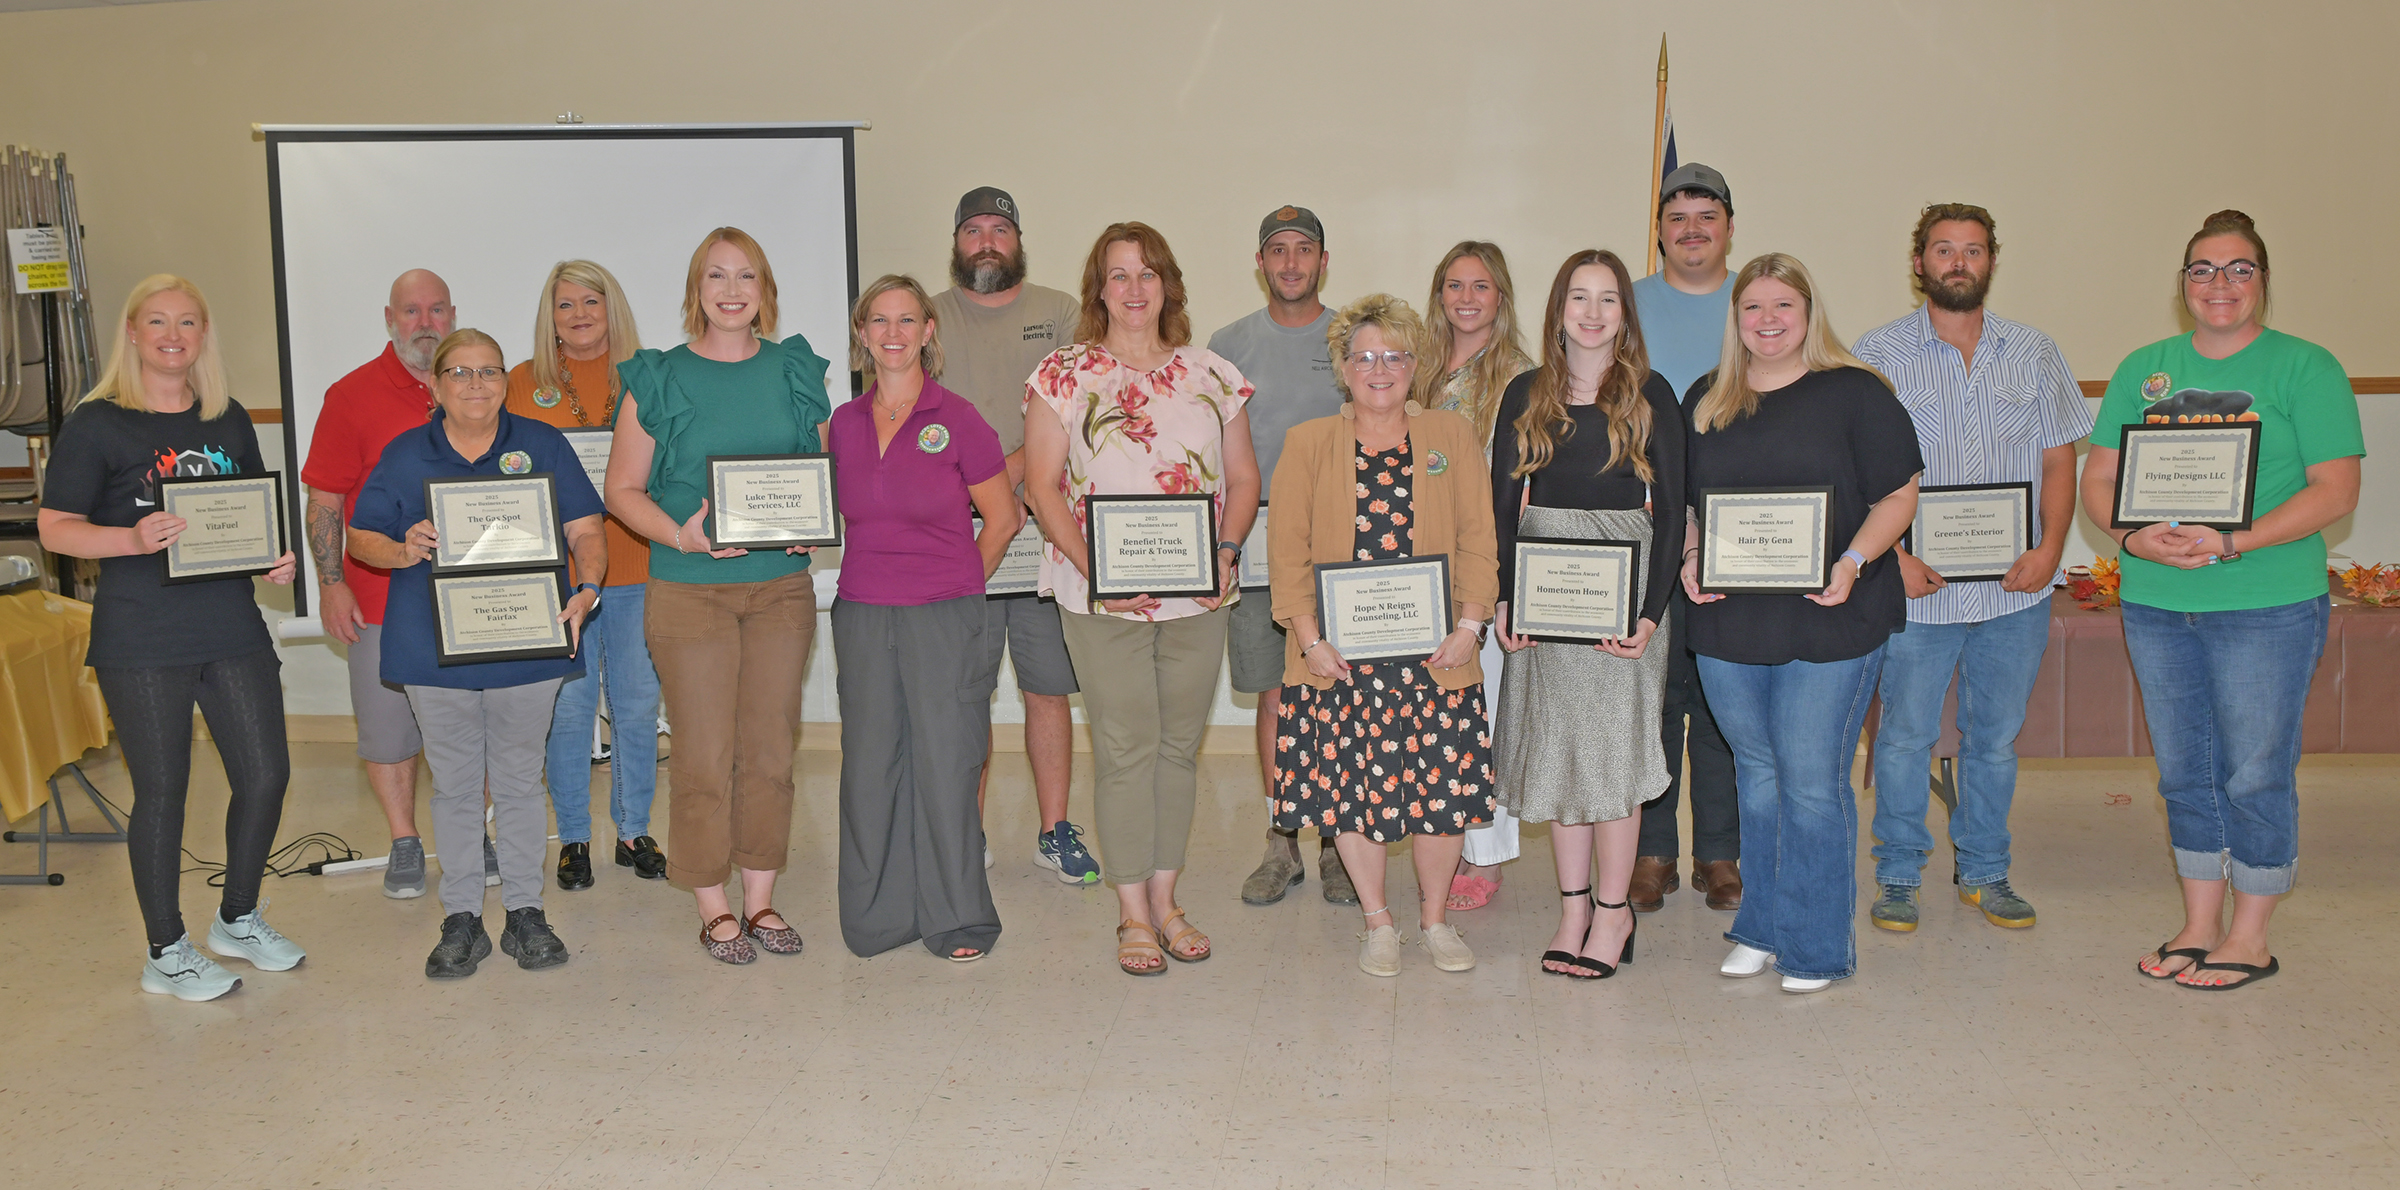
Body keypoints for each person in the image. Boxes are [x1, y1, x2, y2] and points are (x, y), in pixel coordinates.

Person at [2083, 210, 2361, 991]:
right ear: (2183, 283)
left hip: (2266, 601)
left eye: (2240, 268)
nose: (2220, 284)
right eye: (2203, 269)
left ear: (2263, 280)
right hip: (2157, 602)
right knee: (2184, 771)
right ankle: (2200, 923)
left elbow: (2336, 490)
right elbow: (2101, 479)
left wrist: (2238, 540)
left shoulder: (2307, 367)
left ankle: (2251, 933)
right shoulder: (2145, 368)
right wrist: (2133, 539)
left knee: (2255, 771)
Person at [38, 275, 304, 1001]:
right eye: (156, 321)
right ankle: (165, 950)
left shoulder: (228, 418)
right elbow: (55, 527)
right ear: (131, 332)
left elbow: (246, 515)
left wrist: (270, 558)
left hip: (231, 624)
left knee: (266, 774)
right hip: (142, 634)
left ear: (202, 335)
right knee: (163, 791)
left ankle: (237, 918)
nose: (172, 335)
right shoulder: (97, 423)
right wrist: (130, 537)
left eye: (187, 322)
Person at [1022, 221, 1259, 976]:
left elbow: (1244, 479)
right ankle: (1131, 911)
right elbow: (1041, 488)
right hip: (1100, 598)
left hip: (1200, 597)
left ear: (1167, 285)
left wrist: (1225, 552)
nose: (1133, 288)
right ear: (1099, 288)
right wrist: (1100, 571)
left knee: (1178, 751)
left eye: (1147, 273)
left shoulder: (1212, 373)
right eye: (1118, 274)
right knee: (1126, 750)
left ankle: (1167, 899)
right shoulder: (1063, 374)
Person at [1682, 253, 1922, 994]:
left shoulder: (1855, 392)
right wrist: (1690, 556)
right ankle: (1762, 926)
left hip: (1831, 616)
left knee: (1812, 780)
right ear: (1735, 318)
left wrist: (1851, 562)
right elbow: (1689, 506)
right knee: (1756, 775)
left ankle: (1816, 945)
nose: (1768, 320)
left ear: (1809, 313)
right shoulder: (1707, 400)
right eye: (1753, 306)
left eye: (1783, 305)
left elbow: (1899, 495)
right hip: (1730, 622)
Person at [1852, 205, 2092, 933]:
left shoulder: (2035, 351)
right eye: (1943, 249)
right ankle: (1898, 876)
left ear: (1991, 261)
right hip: (1917, 593)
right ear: (1918, 262)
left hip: (2015, 592)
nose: (1959, 262)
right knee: (1904, 739)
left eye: (1974, 250)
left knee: (1994, 741)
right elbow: (1854, 468)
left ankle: (1986, 872)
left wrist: (2050, 550)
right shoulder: (1877, 353)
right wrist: (1894, 558)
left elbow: (2059, 460)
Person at [346, 329, 606, 979]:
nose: (475, 384)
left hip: (527, 642)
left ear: (504, 383)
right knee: (456, 786)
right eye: (459, 373)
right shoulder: (405, 454)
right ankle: (461, 917)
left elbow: (585, 527)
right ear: (435, 386)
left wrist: (589, 588)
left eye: (488, 371)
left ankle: (525, 913)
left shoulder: (543, 444)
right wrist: (402, 548)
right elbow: (360, 536)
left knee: (518, 781)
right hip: (435, 650)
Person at [606, 227, 831, 964]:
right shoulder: (659, 377)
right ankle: (713, 904)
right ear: (694, 290)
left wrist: (812, 524)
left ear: (765, 290)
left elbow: (823, 473)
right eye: (716, 276)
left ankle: (760, 899)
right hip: (689, 592)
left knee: (770, 749)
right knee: (704, 753)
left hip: (780, 593)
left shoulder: (796, 371)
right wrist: (682, 536)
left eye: (746, 276)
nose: (732, 291)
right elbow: (622, 491)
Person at [1267, 293, 1498, 976]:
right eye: (1364, 356)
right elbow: (1288, 552)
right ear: (1342, 367)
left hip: (1437, 656)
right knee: (1351, 795)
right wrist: (1310, 640)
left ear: (1415, 365)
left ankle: (1435, 921)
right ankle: (1378, 922)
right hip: (1340, 660)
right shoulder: (1308, 443)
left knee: (1439, 798)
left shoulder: (1452, 436)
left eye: (1394, 355)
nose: (1379, 369)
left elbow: (1479, 539)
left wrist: (1471, 626)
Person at [1489, 251, 1683, 979]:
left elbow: (1673, 514)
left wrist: (1650, 616)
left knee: (1613, 758)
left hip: (1622, 598)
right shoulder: (1525, 392)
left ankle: (1612, 911)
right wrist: (1505, 597)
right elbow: (1501, 506)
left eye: (1608, 298)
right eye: (1579, 296)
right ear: (1558, 309)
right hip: (1545, 594)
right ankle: (1572, 911)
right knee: (1559, 755)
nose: (1593, 312)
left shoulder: (1651, 394)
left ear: (1625, 313)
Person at [829, 275, 1020, 960]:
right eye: (879, 321)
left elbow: (1004, 518)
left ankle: (958, 918)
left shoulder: (959, 418)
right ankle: (878, 918)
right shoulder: (843, 424)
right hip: (862, 612)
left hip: (943, 615)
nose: (893, 334)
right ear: (862, 334)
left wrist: (960, 585)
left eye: (907, 320)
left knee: (946, 764)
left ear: (928, 331)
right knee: (870, 766)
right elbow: (826, 512)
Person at [926, 187, 1097, 885]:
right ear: (956, 243)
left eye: (1000, 228)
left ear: (1018, 240)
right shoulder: (927, 315)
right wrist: (986, 493)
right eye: (973, 229)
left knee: (1048, 689)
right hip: (953, 533)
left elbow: (1075, 407)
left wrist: (1005, 480)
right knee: (962, 695)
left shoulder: (1060, 312)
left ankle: (1055, 831)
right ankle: (965, 835)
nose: (987, 240)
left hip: (1040, 529)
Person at [502, 260, 667, 890]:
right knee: (569, 712)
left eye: (591, 301)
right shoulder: (520, 384)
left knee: (636, 705)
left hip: (639, 565)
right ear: (550, 317)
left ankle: (634, 831)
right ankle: (573, 836)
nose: (579, 315)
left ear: (611, 307)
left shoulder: (651, 377)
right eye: (565, 304)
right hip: (558, 580)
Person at [301, 268, 465, 899]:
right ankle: (404, 839)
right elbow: (325, 499)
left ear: (453, 316)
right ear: (390, 319)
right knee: (387, 728)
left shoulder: (477, 385)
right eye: (411, 311)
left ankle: (470, 836)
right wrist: (331, 583)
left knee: (472, 723)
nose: (425, 323)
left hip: (471, 599)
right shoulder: (351, 395)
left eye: (437, 310)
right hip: (379, 597)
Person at [1209, 205, 1354, 909]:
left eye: (1304, 249)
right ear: (1260, 263)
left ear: (1323, 261)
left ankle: (1338, 842)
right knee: (1275, 693)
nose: (1291, 262)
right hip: (1258, 539)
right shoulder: (1227, 345)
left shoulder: (1354, 338)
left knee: (1338, 694)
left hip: (1343, 544)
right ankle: (1282, 839)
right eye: (1278, 250)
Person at [1629, 163, 1745, 914]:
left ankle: (1719, 852)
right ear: (1660, 230)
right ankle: (1652, 851)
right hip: (1645, 529)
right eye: (1678, 217)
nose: (1693, 230)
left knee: (1720, 695)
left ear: (1730, 227)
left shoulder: (1756, 302)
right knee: (1653, 695)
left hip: (1739, 536)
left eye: (1708, 216)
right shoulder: (1628, 306)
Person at [1423, 240, 1534, 911]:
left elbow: (1524, 484)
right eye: (1455, 285)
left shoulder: (1520, 376)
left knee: (1482, 716)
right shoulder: (1416, 367)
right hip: (1415, 570)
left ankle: (1483, 855)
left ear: (1501, 297)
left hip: (1480, 567)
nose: (1466, 299)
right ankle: (1441, 839)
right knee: (1434, 719)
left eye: (1481, 286)